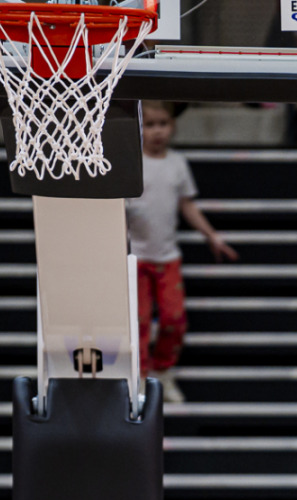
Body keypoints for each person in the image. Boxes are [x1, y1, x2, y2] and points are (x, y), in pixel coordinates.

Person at [127, 101, 238, 405]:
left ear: (173, 126)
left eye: (163, 124)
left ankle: (163, 371)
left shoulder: (177, 164)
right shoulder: (132, 163)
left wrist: (211, 235)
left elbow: (187, 204)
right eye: (150, 125)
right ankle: (139, 377)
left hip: (167, 259)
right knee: (138, 321)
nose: (157, 131)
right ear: (139, 128)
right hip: (136, 258)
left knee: (174, 319)